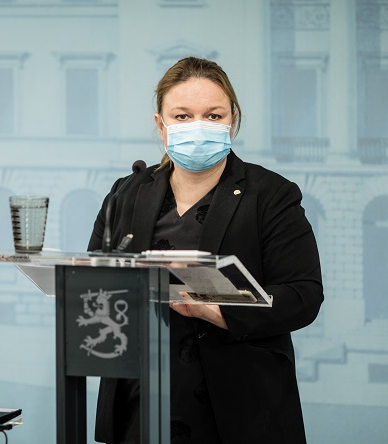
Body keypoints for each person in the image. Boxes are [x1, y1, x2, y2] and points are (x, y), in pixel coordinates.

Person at [87, 57, 324, 444]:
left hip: (240, 409)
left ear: (233, 120)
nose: (198, 126)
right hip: (140, 404)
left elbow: (303, 295)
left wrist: (217, 310)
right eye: (182, 116)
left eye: (213, 115)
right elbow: (92, 278)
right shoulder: (127, 192)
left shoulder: (271, 195)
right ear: (161, 125)